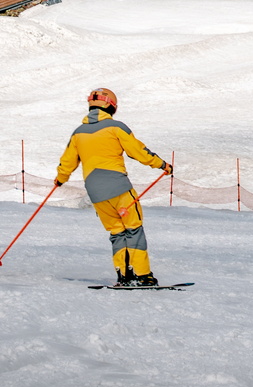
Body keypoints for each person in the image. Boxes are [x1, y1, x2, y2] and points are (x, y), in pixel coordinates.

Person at [54, 88, 172, 286]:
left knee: (117, 231)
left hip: (96, 192)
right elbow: (138, 151)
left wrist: (60, 179)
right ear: (111, 105)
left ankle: (124, 276)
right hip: (118, 186)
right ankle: (143, 276)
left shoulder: (78, 133)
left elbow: (67, 162)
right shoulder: (116, 127)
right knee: (133, 228)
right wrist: (162, 165)